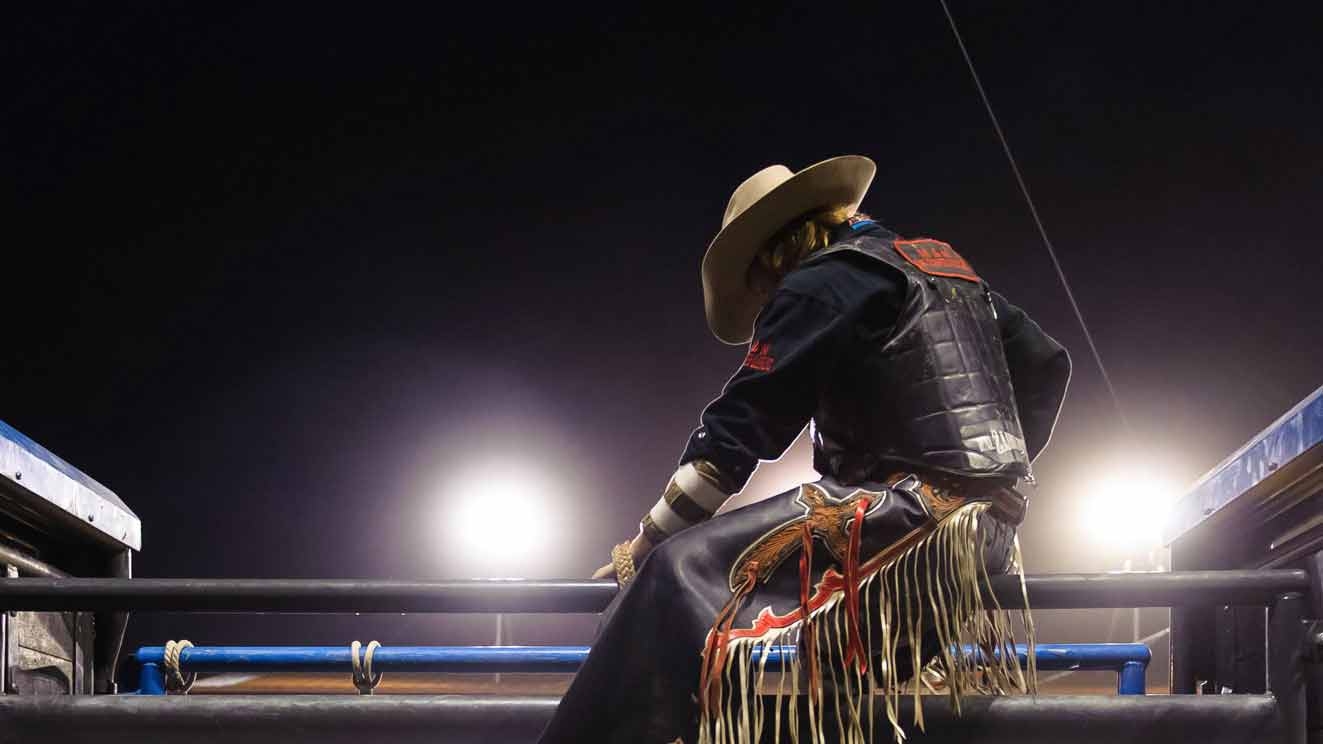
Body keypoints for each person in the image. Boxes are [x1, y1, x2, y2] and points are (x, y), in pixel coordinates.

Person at [538, 155, 1071, 744]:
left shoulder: (819, 282)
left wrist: (641, 547)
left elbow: (737, 433)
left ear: (770, 257)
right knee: (840, 694)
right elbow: (1046, 363)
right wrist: (992, 476)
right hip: (986, 538)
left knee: (671, 576)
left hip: (905, 523)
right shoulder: (939, 267)